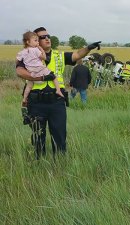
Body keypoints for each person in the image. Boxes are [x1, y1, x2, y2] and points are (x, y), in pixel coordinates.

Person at [16, 26, 101, 159]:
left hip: (57, 101)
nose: (47, 38)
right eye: (42, 37)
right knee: (38, 136)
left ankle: (60, 165)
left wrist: (88, 48)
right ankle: (39, 164)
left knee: (60, 136)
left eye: (48, 36)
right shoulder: (28, 54)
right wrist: (41, 78)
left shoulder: (59, 55)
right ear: (35, 41)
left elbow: (77, 55)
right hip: (36, 102)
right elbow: (19, 71)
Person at [17, 31, 64, 107]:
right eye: (35, 41)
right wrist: (41, 49)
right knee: (53, 76)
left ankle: (25, 98)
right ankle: (58, 90)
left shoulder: (23, 52)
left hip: (31, 72)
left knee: (29, 86)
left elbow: (17, 60)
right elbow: (44, 57)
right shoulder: (35, 50)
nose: (37, 43)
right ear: (28, 42)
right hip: (40, 70)